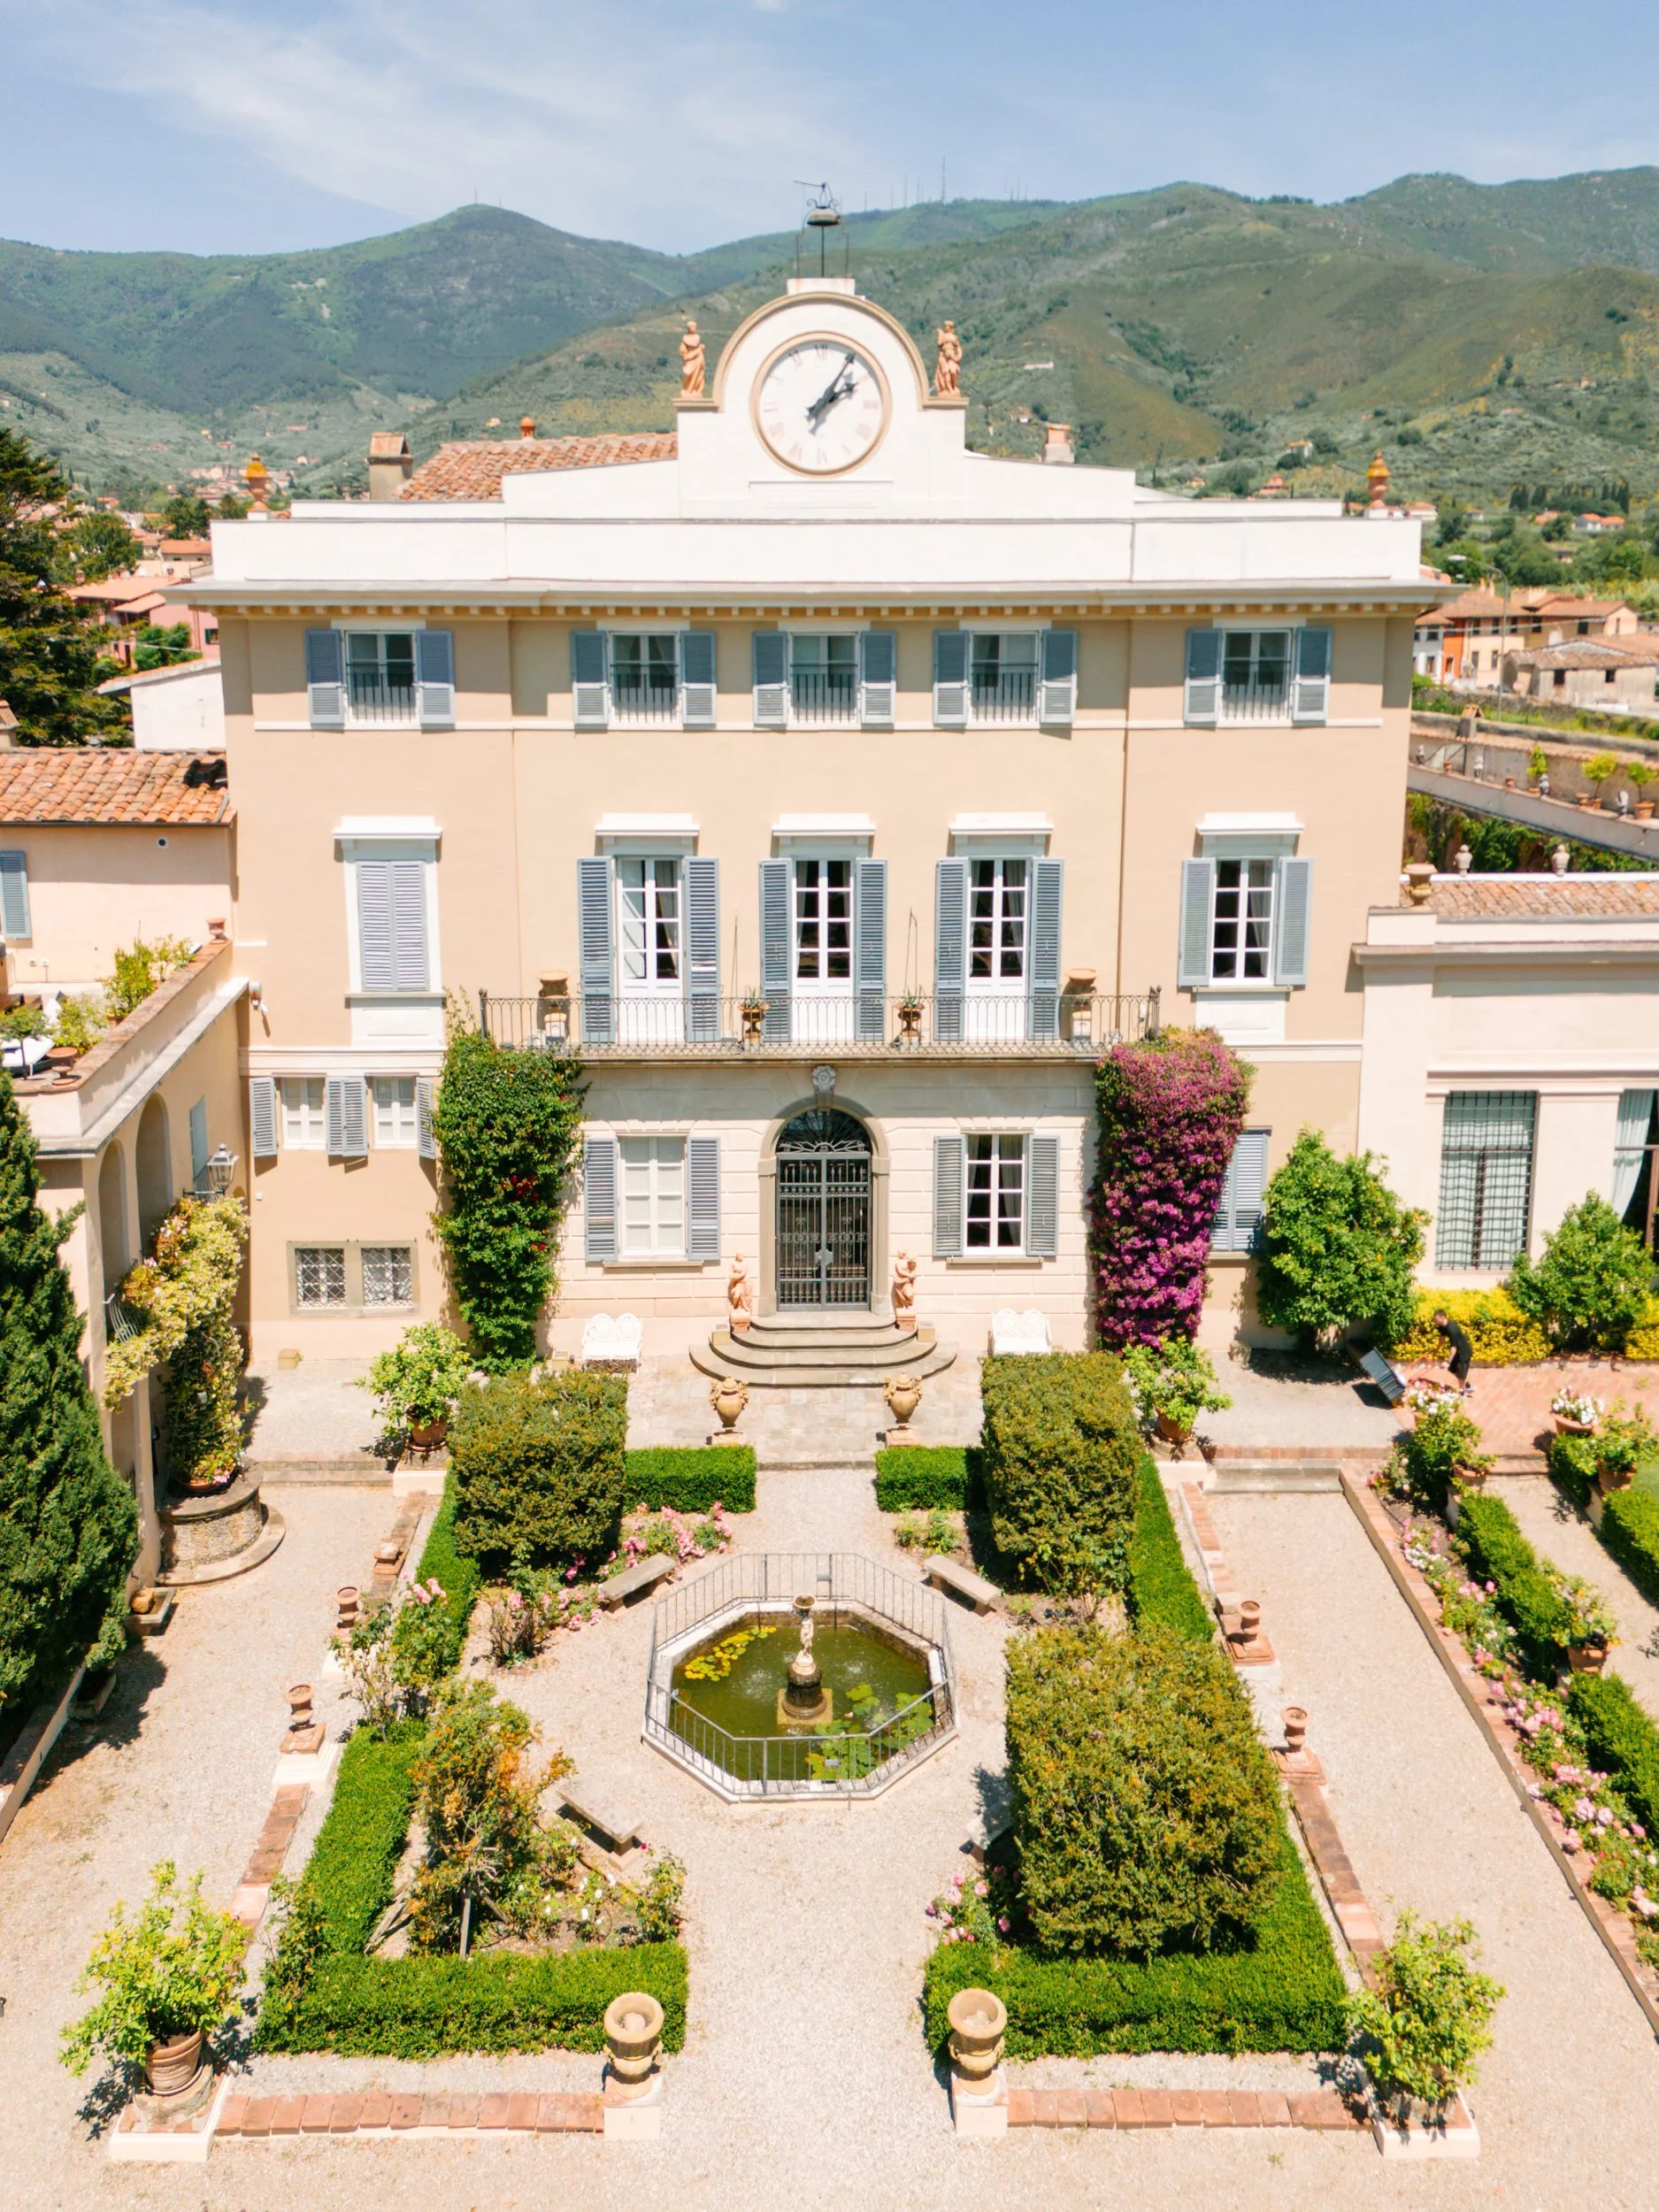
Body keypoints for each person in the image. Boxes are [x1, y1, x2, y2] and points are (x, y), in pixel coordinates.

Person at [1432, 1308, 1473, 1394]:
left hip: (1463, 1352)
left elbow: (1453, 1349)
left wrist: (1448, 1362)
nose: (1435, 1322)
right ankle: (1468, 1385)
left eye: (1436, 1319)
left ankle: (1462, 1392)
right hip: (1457, 1352)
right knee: (1453, 1370)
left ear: (1442, 1317)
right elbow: (1442, 1339)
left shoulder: (1452, 1329)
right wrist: (1437, 1349)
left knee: (1460, 1374)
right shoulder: (1442, 1327)